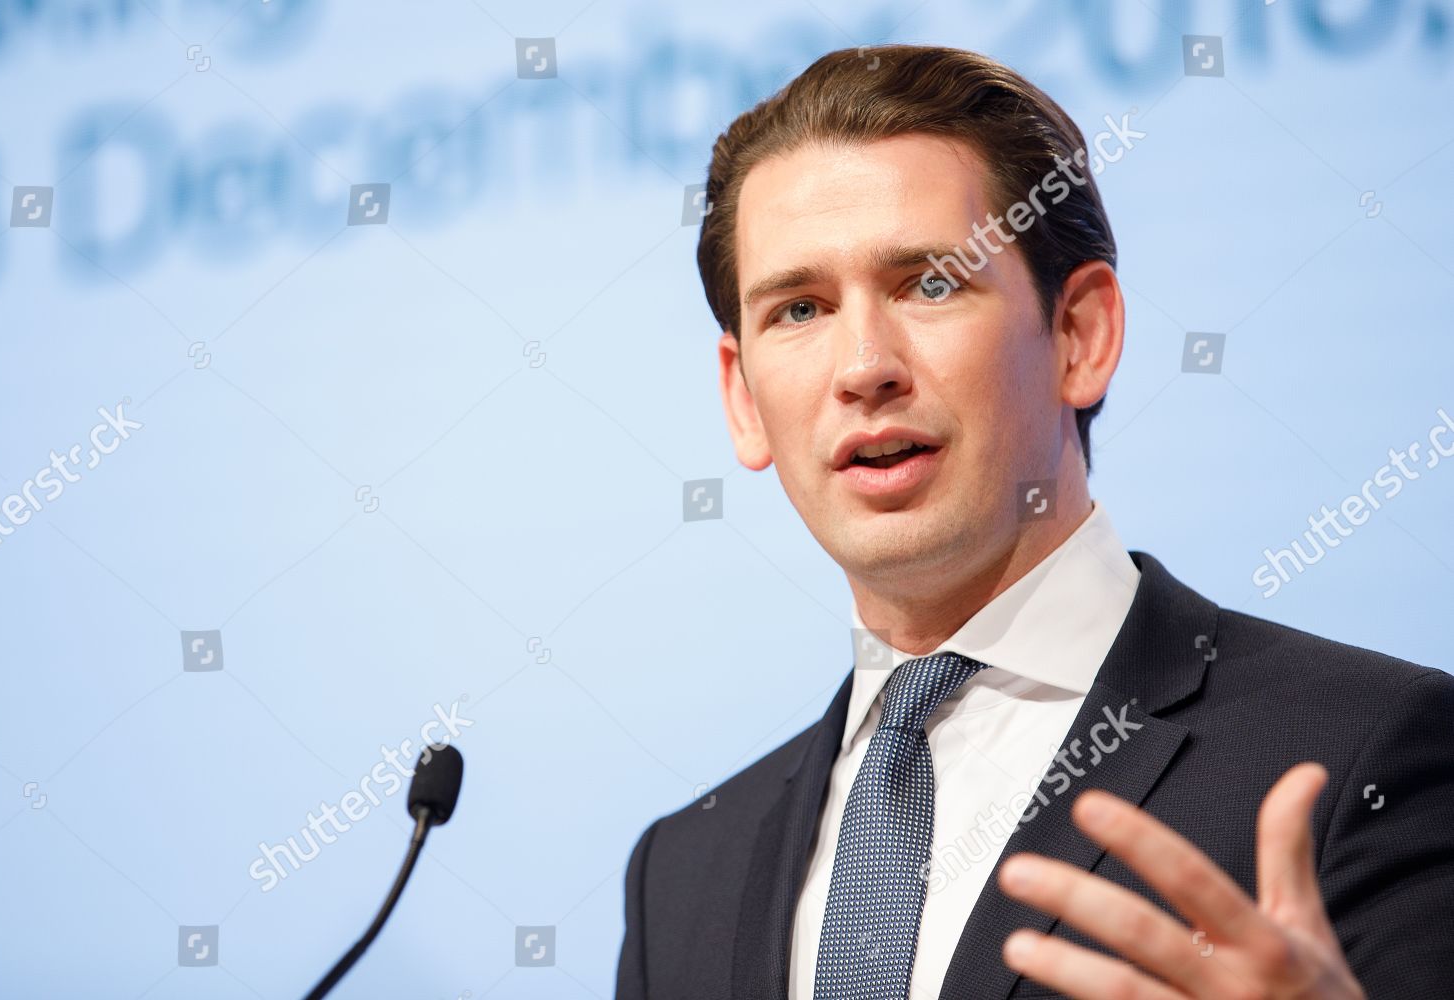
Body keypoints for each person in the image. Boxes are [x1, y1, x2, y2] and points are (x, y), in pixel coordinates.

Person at [613, 43, 1454, 1000]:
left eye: (929, 283)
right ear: (745, 401)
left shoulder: (1362, 753)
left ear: (1080, 336)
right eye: (799, 308)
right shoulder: (684, 874)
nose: (862, 367)